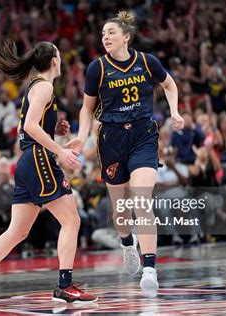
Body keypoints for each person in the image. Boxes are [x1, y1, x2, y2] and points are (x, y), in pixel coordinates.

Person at [0, 41, 97, 308]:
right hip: (39, 161)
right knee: (72, 221)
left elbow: (31, 128)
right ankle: (65, 285)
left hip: (28, 161)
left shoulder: (36, 86)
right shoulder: (43, 86)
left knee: (18, 231)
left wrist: (56, 134)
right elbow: (31, 127)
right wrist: (60, 151)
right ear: (55, 60)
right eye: (59, 55)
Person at [66, 11, 184, 297]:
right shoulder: (97, 68)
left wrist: (175, 111)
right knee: (121, 209)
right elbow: (86, 107)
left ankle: (150, 267)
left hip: (143, 134)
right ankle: (126, 243)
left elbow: (169, 84)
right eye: (103, 34)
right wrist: (81, 138)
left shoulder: (146, 61)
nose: (105, 37)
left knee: (142, 198)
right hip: (111, 138)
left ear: (126, 37)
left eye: (111, 33)